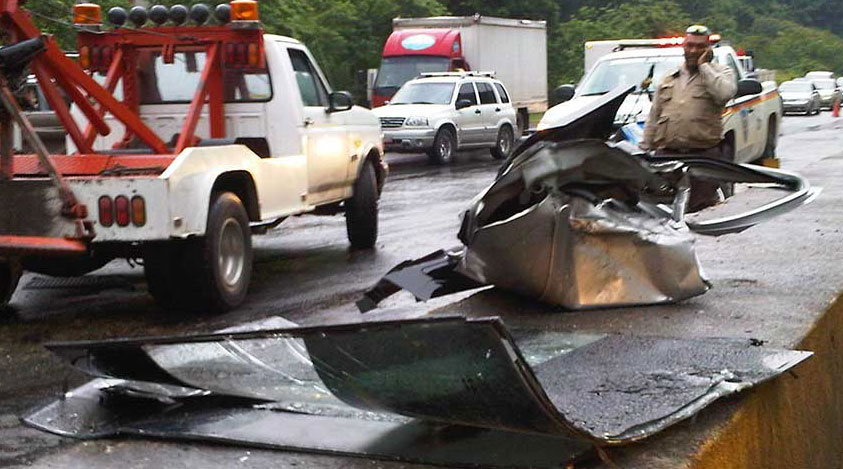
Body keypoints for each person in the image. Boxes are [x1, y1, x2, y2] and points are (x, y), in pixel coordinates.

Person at [641, 24, 737, 211]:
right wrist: (644, 149)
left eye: (700, 46)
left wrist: (704, 66)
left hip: (703, 157)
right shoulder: (669, 78)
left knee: (699, 209)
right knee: (664, 209)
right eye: (690, 45)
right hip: (668, 156)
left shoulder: (720, 73)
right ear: (683, 47)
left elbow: (725, 94)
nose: (693, 50)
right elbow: (654, 116)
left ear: (708, 49)